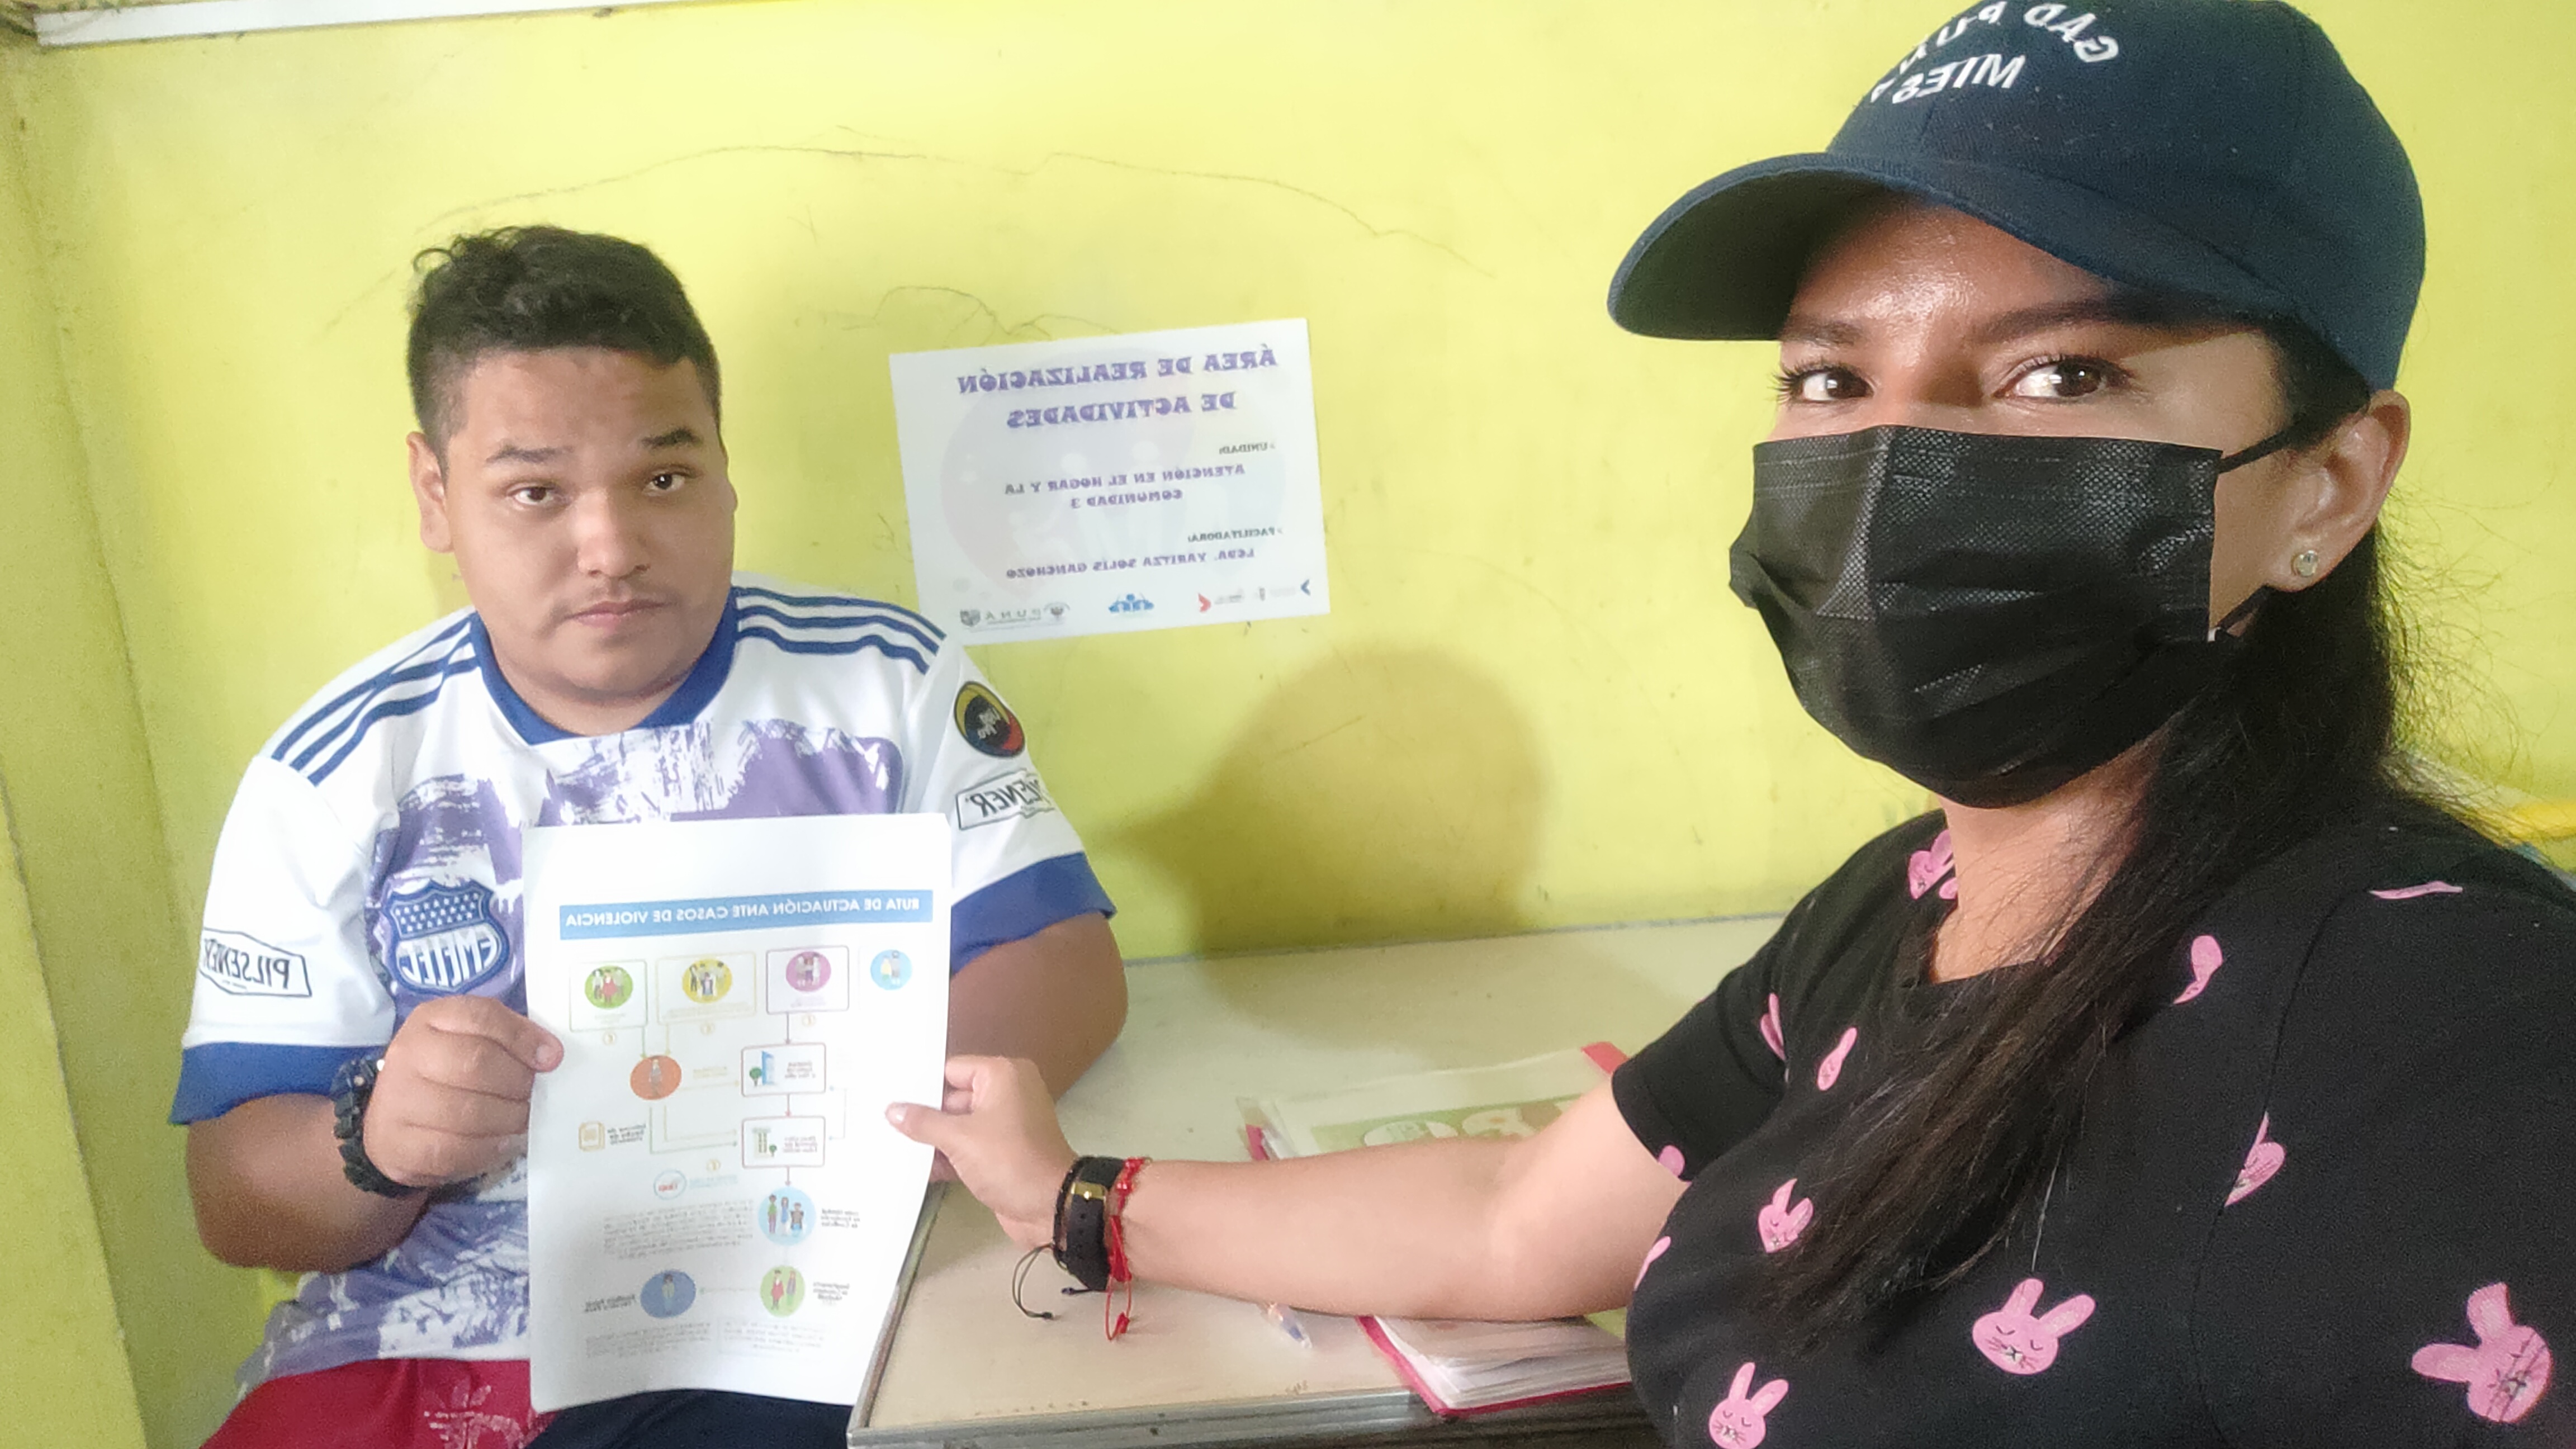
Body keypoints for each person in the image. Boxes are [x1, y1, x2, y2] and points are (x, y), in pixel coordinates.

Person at [894, 3, 2575, 1443]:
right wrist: (1079, 1199)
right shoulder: (1905, 908)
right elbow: (1516, 1223)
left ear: (2329, 483)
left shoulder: (2458, 1043)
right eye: (1831, 380)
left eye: (2060, 374)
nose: (1896, 471)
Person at [176, 225, 1129, 1448]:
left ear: (726, 468)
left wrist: (848, 1108)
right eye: (535, 492)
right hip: (433, 1339)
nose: (613, 549)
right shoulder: (332, 773)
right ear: (434, 493)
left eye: (664, 479)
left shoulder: (883, 683)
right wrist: (377, 1142)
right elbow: (238, 1202)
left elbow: (1065, 961)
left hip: (799, 1297)